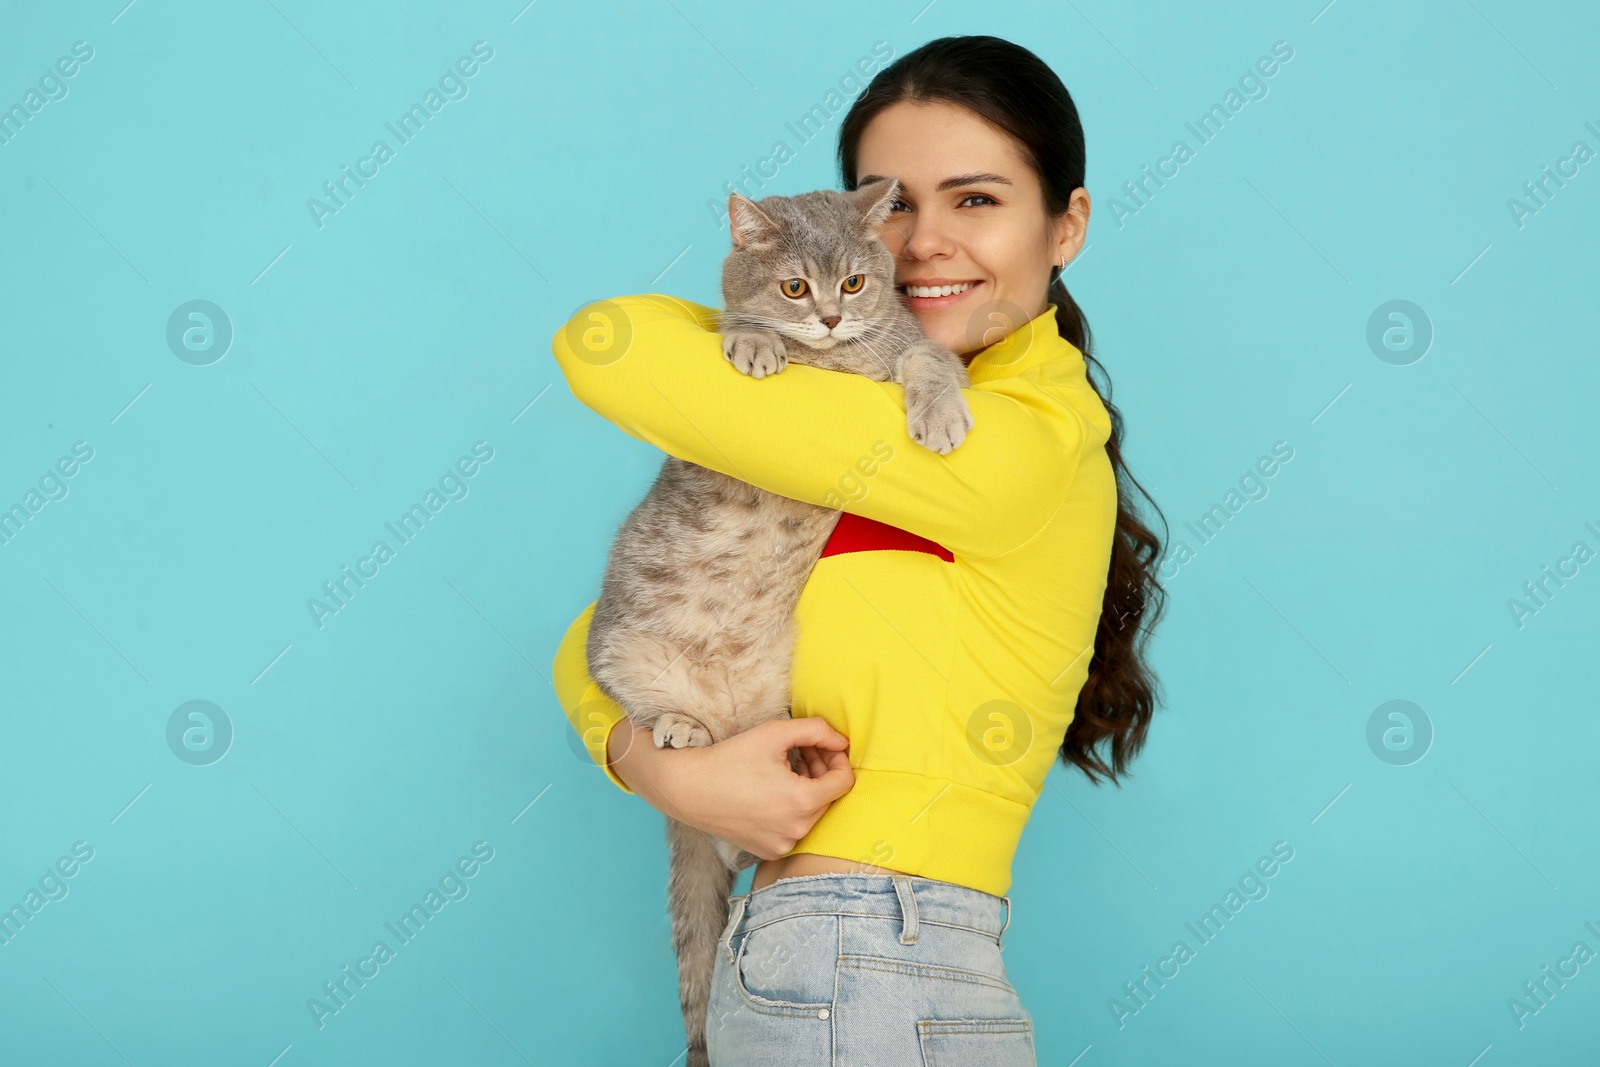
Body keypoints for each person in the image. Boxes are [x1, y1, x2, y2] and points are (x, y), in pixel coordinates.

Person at [549, 34, 1167, 1066]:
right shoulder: (856, 430)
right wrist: (654, 767)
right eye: (893, 207)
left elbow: (605, 343)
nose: (918, 245)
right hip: (846, 956)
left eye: (975, 200)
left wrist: (767, 311)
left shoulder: (1017, 437)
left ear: (1067, 225)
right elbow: (599, 629)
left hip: (873, 954)